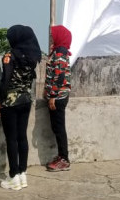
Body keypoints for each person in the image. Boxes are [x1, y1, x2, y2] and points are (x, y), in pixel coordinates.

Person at [0, 24, 42, 191]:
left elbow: (5, 80)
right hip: (26, 100)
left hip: (10, 102)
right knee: (22, 137)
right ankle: (22, 174)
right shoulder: (33, 56)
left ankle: (13, 175)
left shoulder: (10, 55)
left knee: (11, 139)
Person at [44, 25, 72, 171]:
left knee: (59, 128)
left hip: (58, 96)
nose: (51, 37)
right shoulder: (58, 51)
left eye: (53, 35)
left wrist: (53, 95)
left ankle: (64, 159)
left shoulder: (60, 52)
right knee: (57, 127)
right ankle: (62, 156)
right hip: (58, 95)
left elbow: (59, 75)